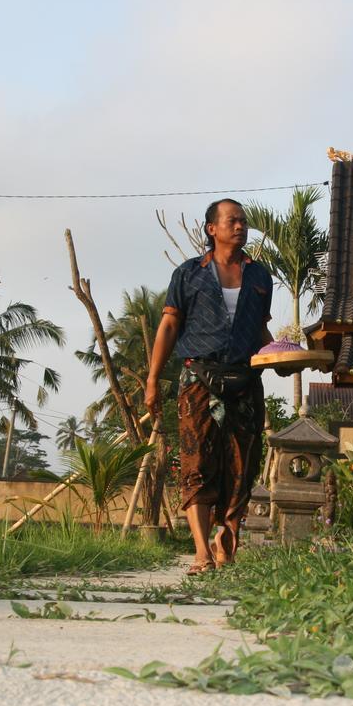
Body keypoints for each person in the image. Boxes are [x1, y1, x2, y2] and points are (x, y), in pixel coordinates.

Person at [145, 199, 274, 574]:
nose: (240, 226)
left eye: (244, 221)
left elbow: (260, 330)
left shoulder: (260, 276)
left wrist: (278, 356)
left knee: (242, 466)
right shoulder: (188, 274)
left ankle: (226, 543)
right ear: (211, 229)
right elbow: (169, 326)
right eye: (232, 221)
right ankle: (201, 552)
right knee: (196, 463)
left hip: (246, 379)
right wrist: (153, 380)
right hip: (198, 378)